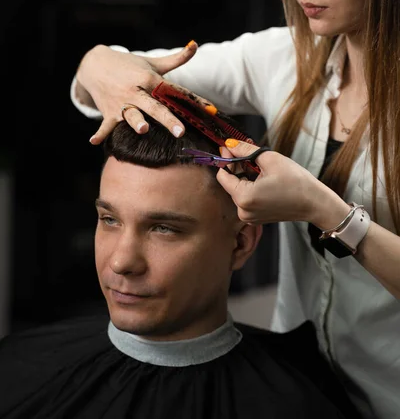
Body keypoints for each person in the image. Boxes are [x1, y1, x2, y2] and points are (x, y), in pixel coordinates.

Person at [70, 0, 400, 417]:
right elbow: (115, 82)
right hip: (300, 389)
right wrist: (99, 63)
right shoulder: (284, 60)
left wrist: (326, 210)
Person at [0, 115, 359, 419]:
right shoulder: (15, 370)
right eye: (109, 219)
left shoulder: (299, 403)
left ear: (241, 243)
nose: (122, 262)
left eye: (163, 229)